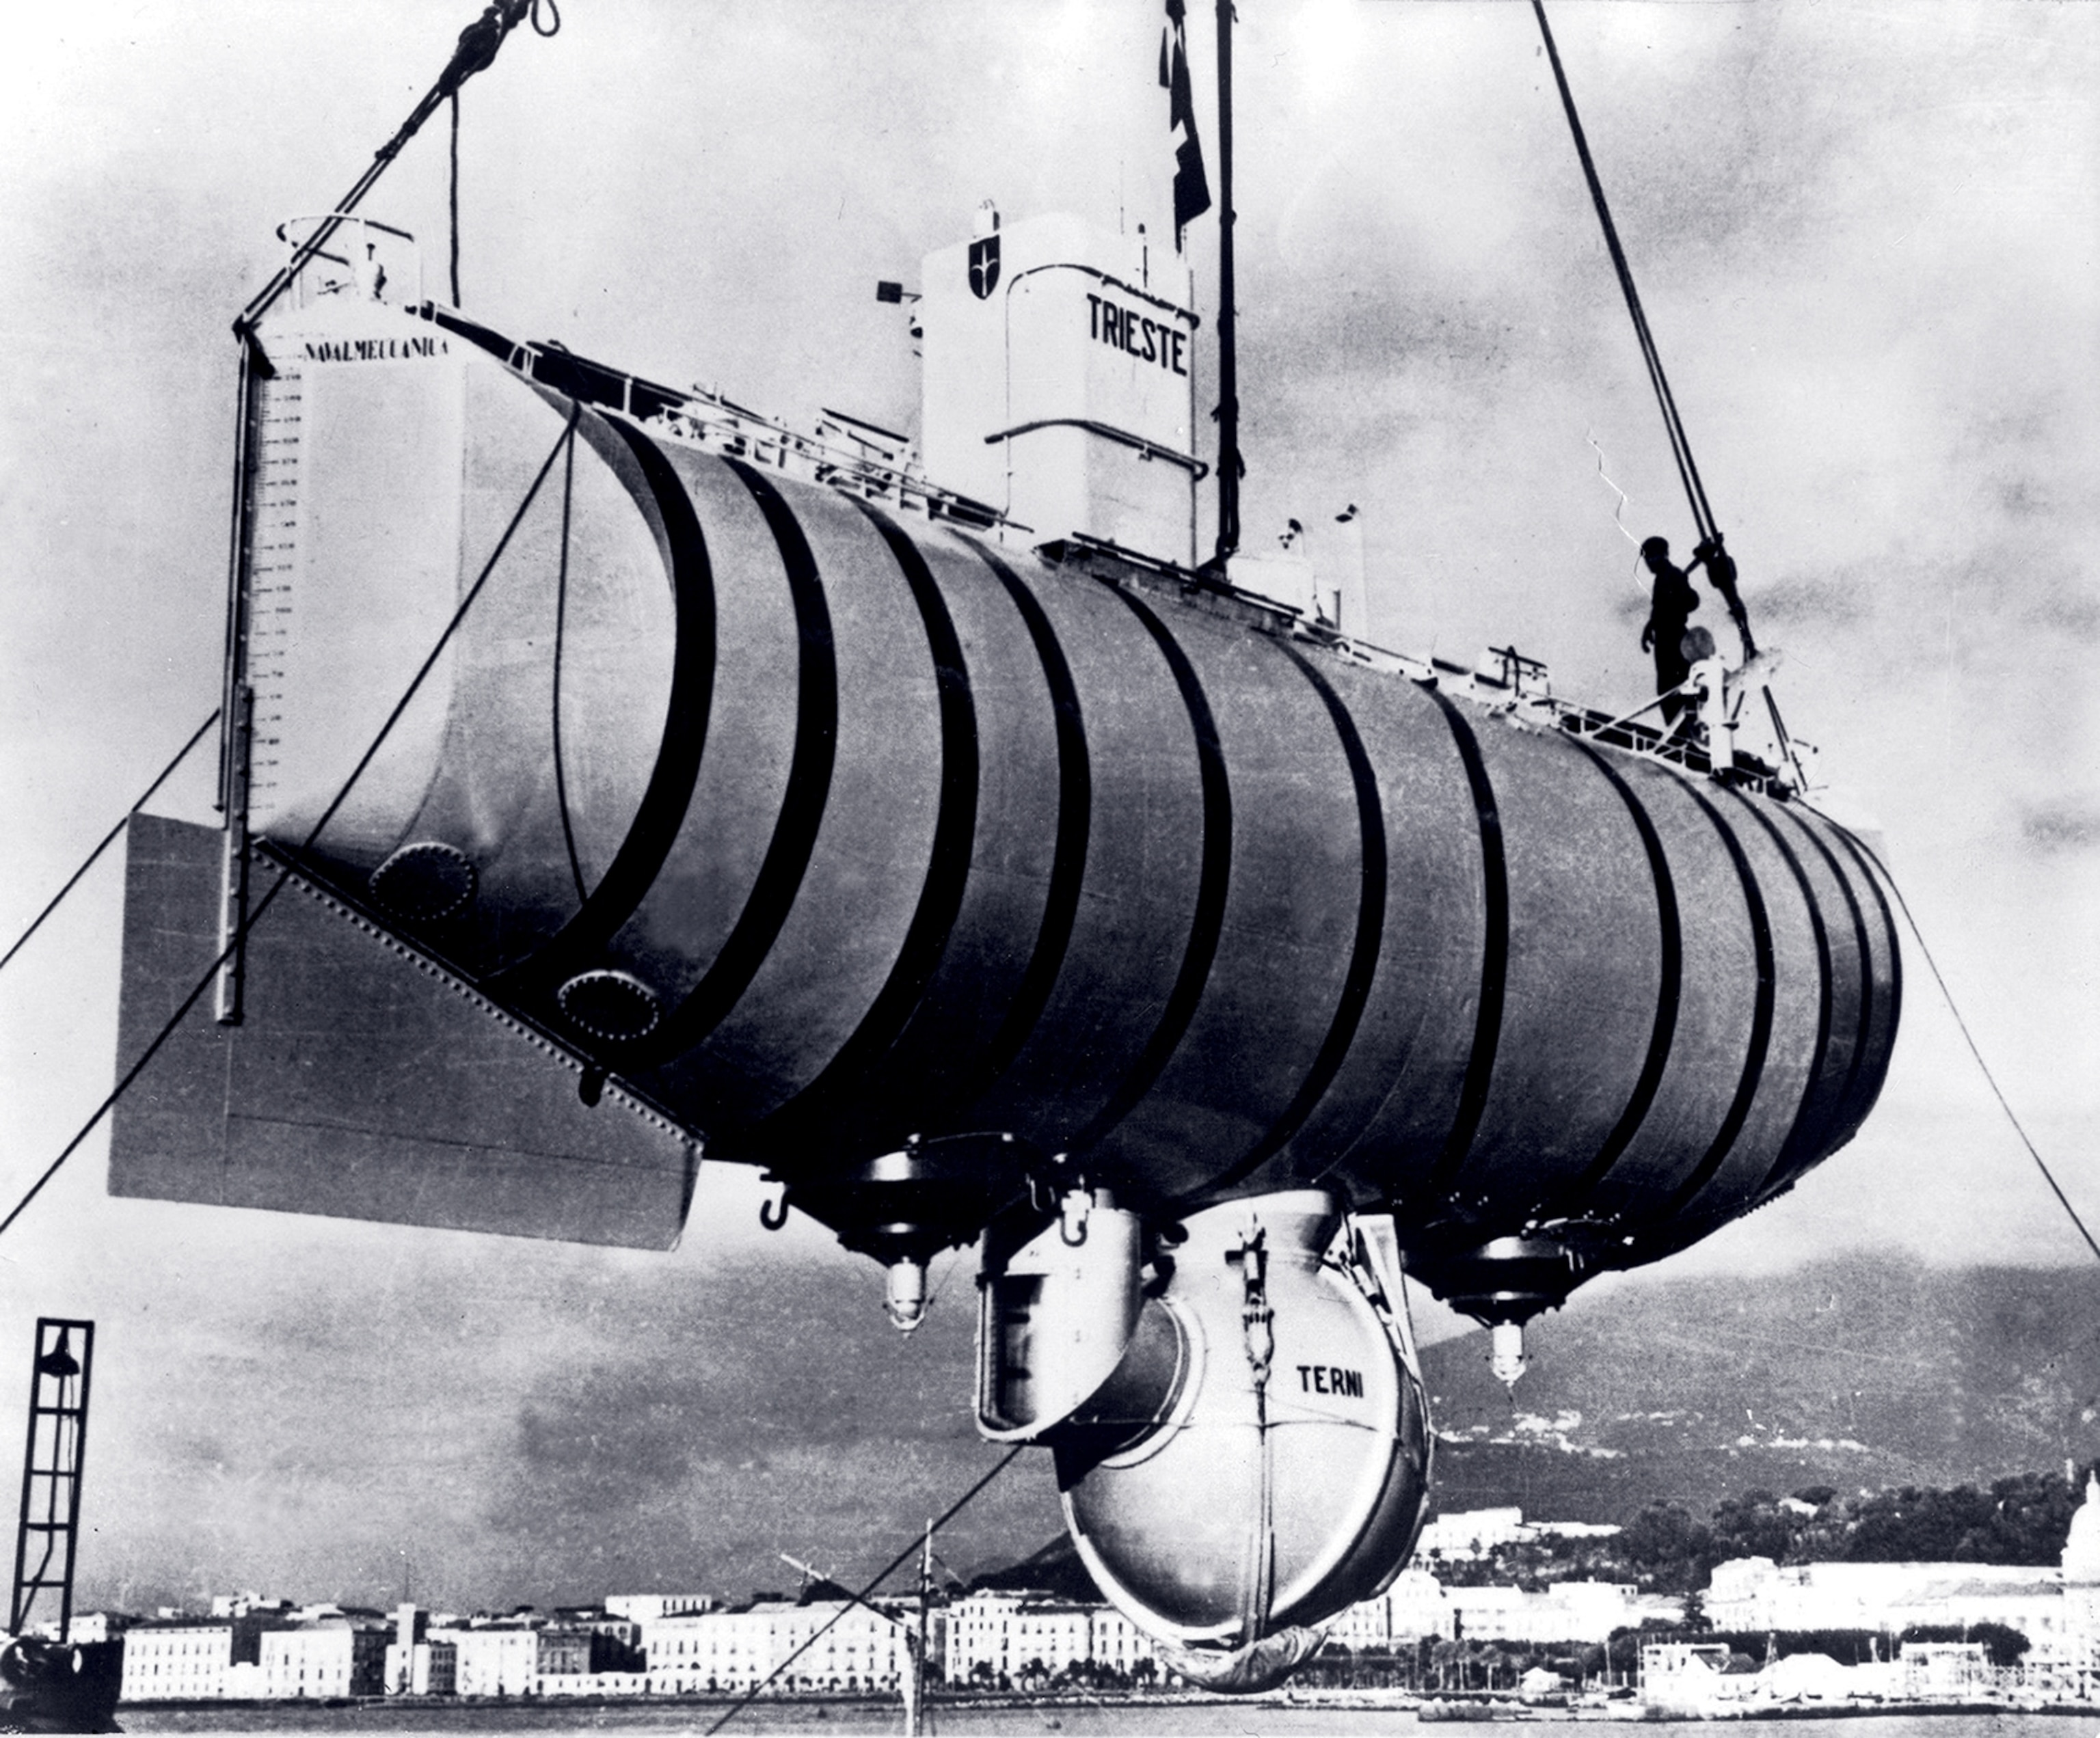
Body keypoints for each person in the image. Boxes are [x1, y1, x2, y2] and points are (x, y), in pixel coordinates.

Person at [1638, 535, 1701, 722]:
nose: (1649, 562)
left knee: (1675, 690)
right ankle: (1679, 735)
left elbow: (1692, 601)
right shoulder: (1662, 578)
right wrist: (1649, 629)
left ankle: (1684, 736)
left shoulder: (1674, 575)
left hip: (1676, 641)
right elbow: (1659, 610)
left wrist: (1677, 600)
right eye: (1647, 558)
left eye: (1653, 557)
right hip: (1665, 641)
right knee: (1668, 691)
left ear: (1664, 555)